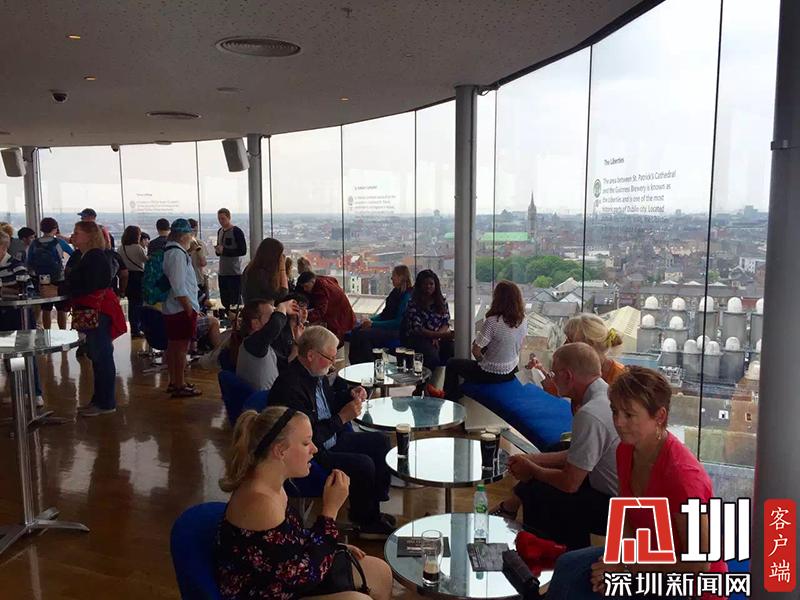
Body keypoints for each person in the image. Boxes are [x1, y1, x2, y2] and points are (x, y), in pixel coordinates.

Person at [546, 366, 727, 600]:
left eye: (629, 415)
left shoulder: (683, 477)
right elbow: (626, 514)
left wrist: (627, 567)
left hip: (688, 585)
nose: (618, 422)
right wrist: (616, 558)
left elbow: (700, 564)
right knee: (568, 567)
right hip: (646, 557)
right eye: (615, 411)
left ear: (659, 416)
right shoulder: (626, 450)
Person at [216, 406, 393, 600]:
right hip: (270, 591)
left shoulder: (274, 485)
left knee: (381, 572)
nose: (314, 449)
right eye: (306, 443)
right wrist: (330, 510)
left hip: (290, 575)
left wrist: (333, 546)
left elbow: (290, 541)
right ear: (280, 451)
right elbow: (304, 577)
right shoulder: (260, 502)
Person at [270, 327, 394, 538]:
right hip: (312, 453)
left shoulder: (314, 374)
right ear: (311, 355)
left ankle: (372, 504)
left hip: (331, 437)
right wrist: (343, 418)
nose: (333, 363)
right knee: (363, 464)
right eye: (330, 357)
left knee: (380, 441)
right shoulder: (290, 387)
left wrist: (349, 395)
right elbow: (308, 439)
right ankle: (366, 522)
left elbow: (326, 405)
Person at [493, 343, 619, 550]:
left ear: (567, 376)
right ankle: (511, 511)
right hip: (613, 489)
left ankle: (555, 556)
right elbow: (577, 454)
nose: (552, 378)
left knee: (539, 491)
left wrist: (532, 469)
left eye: (553, 373)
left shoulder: (591, 413)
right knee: (555, 449)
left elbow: (570, 483)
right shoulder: (604, 393)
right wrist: (531, 459)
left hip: (618, 508)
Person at [67, 221, 126, 417]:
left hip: (98, 311)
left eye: (77, 232)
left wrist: (62, 288)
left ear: (89, 236)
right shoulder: (88, 256)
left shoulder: (94, 257)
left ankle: (106, 402)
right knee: (97, 356)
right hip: (95, 310)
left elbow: (87, 284)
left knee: (101, 355)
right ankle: (99, 399)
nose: (73, 235)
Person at [439, 280, 526, 400]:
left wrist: (483, 361)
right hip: (512, 371)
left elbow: (475, 351)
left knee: (452, 363)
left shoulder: (493, 321)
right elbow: (519, 345)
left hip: (491, 374)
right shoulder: (523, 320)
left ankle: (450, 399)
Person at [161, 218, 201, 398]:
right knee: (180, 349)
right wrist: (189, 308)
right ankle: (180, 384)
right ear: (185, 235)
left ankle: (174, 381)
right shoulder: (177, 254)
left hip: (173, 308)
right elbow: (178, 286)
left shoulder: (170, 251)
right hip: (180, 309)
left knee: (173, 347)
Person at [348, 265, 413, 365]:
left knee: (363, 335)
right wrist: (369, 320)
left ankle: (368, 364)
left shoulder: (407, 296)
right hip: (388, 327)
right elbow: (384, 315)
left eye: (394, 275)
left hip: (397, 331)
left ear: (401, 277)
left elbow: (398, 323)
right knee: (356, 331)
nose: (391, 278)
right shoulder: (395, 292)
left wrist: (373, 324)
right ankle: (356, 364)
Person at [234, 298, 297, 391]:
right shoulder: (252, 343)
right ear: (255, 323)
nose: (274, 319)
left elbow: (285, 363)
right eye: (271, 317)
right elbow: (275, 325)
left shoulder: (260, 345)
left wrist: (297, 342)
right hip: (267, 398)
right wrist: (282, 306)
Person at [400, 269, 453, 369]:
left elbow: (445, 323)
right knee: (432, 355)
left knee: (453, 349)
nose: (428, 286)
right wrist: (438, 336)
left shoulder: (442, 301)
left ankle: (446, 378)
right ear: (420, 285)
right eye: (425, 284)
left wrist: (437, 336)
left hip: (437, 336)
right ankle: (429, 378)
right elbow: (418, 329)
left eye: (431, 284)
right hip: (418, 338)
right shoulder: (413, 303)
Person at [28, 217, 68, 329]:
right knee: (61, 308)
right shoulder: (59, 242)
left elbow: (29, 261)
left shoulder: (35, 243)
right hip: (58, 278)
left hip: (42, 279)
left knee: (46, 309)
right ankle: (62, 332)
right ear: (55, 228)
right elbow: (73, 253)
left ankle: (47, 333)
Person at [296, 271, 356, 342]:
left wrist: (302, 317)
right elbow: (334, 280)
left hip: (339, 321)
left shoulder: (320, 289)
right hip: (346, 316)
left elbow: (320, 311)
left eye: (306, 286)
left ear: (312, 281)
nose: (305, 289)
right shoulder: (324, 279)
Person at [215, 208, 247, 310]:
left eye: (223, 218)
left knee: (235, 300)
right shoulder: (220, 231)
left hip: (234, 272)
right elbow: (219, 251)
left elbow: (243, 251)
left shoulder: (237, 231)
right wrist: (218, 251)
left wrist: (224, 251)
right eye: (219, 219)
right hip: (223, 272)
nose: (221, 221)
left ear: (229, 218)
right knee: (225, 299)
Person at [119, 225, 147, 337]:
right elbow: (146, 260)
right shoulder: (138, 248)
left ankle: (134, 328)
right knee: (139, 303)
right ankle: (138, 328)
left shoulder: (121, 248)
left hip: (126, 278)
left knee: (132, 304)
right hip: (138, 276)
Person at [242, 237, 289, 304]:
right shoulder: (260, 273)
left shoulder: (251, 269)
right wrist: (282, 269)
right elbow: (282, 293)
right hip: (259, 309)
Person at [187, 218, 208, 306]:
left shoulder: (182, 245)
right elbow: (203, 263)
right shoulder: (200, 243)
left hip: (187, 281)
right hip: (197, 279)